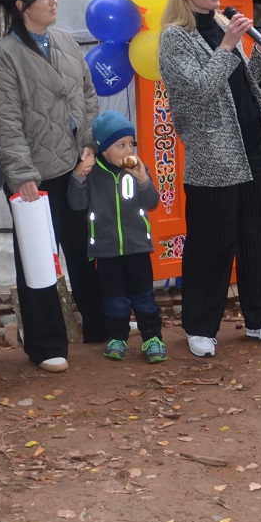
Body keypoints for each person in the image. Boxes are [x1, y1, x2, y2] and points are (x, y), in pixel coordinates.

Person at [160, 0, 261, 357]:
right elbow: (200, 89)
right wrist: (228, 46)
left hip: (251, 147)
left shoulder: (222, 25)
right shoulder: (175, 38)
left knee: (258, 239)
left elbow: (239, 84)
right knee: (211, 243)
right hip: (213, 156)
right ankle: (201, 327)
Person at [0, 0, 102, 372]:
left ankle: (100, 324)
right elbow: (6, 122)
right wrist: (21, 177)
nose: (55, 0)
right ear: (21, 5)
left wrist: (89, 145)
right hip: (34, 174)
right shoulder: (5, 55)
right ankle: (45, 343)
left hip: (75, 165)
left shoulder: (65, 40)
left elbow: (87, 95)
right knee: (37, 259)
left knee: (86, 249)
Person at [66, 110, 166, 363]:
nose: (128, 150)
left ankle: (153, 338)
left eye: (131, 144)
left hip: (138, 248)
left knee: (144, 298)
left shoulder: (136, 169)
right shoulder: (93, 173)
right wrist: (78, 177)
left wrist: (143, 179)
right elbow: (76, 204)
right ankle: (118, 337)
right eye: (121, 145)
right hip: (106, 250)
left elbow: (152, 202)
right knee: (114, 300)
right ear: (103, 150)